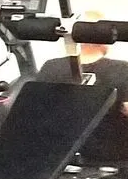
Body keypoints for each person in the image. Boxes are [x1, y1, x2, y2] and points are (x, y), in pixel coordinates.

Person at [37, 11, 128, 166]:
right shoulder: (122, 69)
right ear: (106, 39)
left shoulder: (50, 67)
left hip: (56, 163)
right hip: (111, 163)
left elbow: (35, 113)